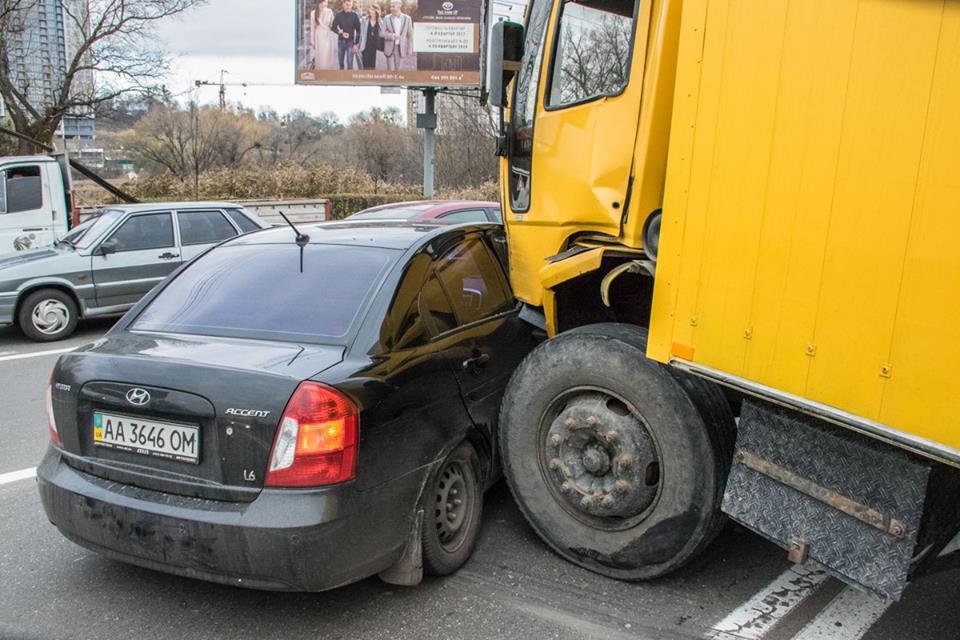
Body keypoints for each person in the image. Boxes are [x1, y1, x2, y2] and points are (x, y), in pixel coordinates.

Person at [382, 0, 414, 71]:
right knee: (390, 70)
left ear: (399, 6)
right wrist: (392, 36)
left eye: (393, 6)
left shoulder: (407, 19)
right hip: (389, 48)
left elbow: (410, 36)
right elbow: (381, 33)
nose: (391, 8)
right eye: (391, 7)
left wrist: (410, 49)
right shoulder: (387, 18)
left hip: (401, 49)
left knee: (398, 71)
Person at [332, 0, 361, 70]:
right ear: (343, 4)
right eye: (347, 4)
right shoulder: (338, 15)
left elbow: (358, 30)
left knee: (350, 64)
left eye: (350, 5)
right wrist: (339, 32)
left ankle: (349, 76)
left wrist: (356, 44)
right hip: (340, 42)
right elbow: (333, 27)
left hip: (350, 42)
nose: (348, 7)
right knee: (341, 63)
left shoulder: (355, 15)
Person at [310, 0, 337, 70]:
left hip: (327, 36)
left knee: (327, 56)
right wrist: (312, 41)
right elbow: (312, 28)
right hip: (318, 37)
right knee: (320, 57)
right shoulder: (313, 13)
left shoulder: (329, 11)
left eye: (326, 2)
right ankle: (320, 72)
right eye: (324, 2)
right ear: (319, 2)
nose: (325, 4)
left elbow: (333, 25)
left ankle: (327, 72)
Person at [358, 4, 384, 70]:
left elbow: (383, 34)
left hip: (374, 47)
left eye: (373, 10)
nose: (371, 11)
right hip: (365, 46)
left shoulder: (380, 22)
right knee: (365, 65)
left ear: (376, 11)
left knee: (372, 66)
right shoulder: (364, 20)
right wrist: (357, 44)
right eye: (371, 9)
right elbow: (359, 33)